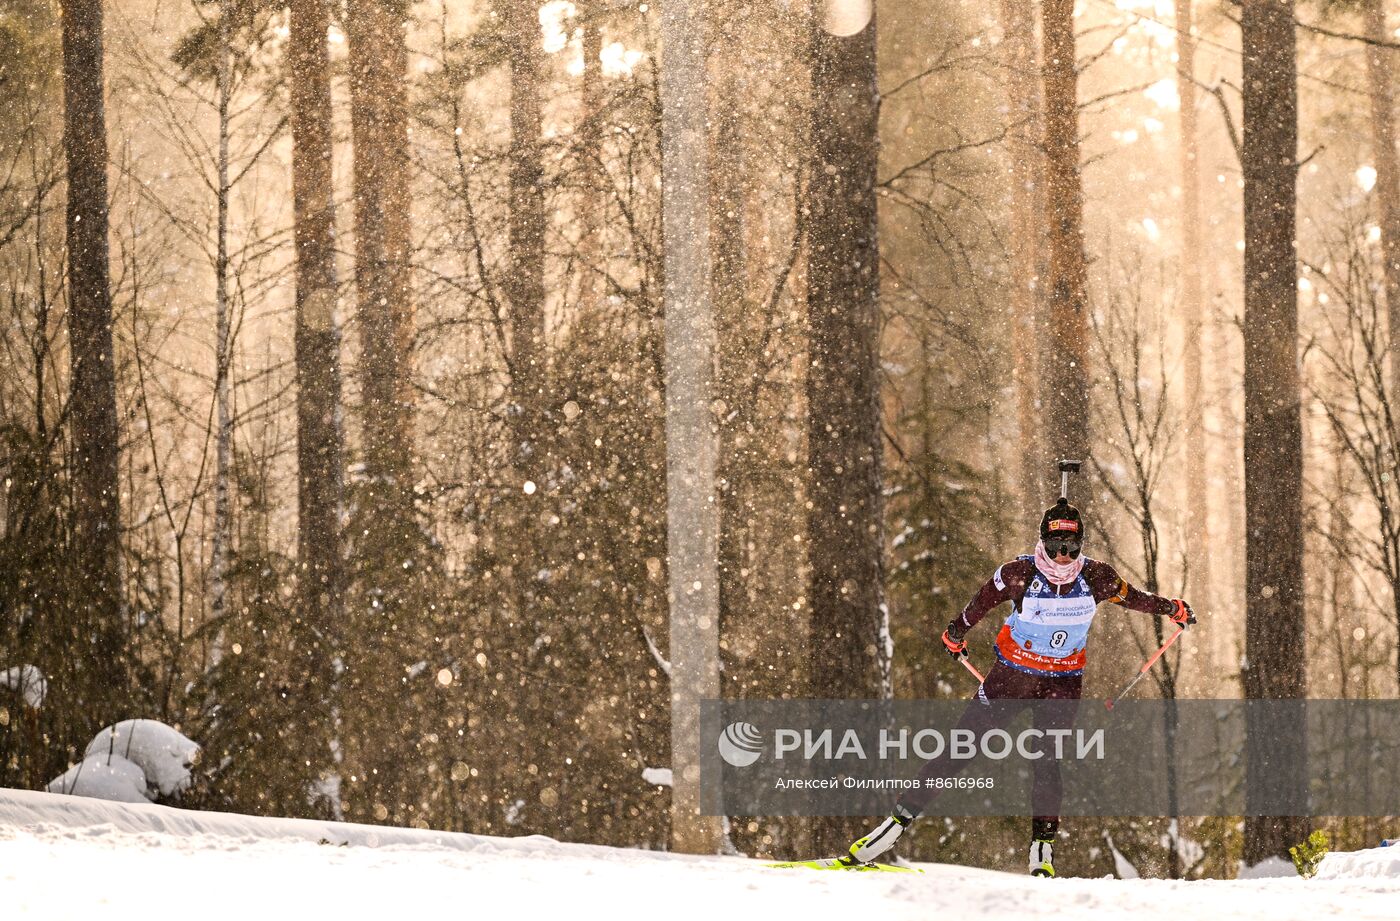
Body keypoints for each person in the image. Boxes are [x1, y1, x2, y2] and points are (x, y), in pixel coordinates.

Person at [844, 497, 1195, 876]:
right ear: (1042, 541)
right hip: (1011, 679)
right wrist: (955, 633)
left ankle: (1042, 850)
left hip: (1062, 683)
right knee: (960, 748)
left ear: (1081, 545)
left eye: (1072, 548)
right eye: (1056, 547)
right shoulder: (1018, 573)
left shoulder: (1098, 577)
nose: (1063, 557)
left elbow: (1136, 599)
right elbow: (979, 603)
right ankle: (892, 828)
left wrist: (1171, 608)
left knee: (1047, 760)